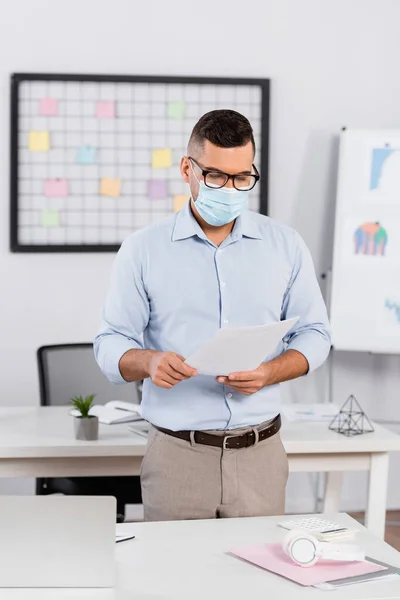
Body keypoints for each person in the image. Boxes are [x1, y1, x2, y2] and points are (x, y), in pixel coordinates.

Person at [94, 109, 331, 521]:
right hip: (177, 458)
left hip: (261, 455)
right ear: (188, 168)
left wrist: (270, 372)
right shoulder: (143, 250)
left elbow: (316, 334)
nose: (231, 189)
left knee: (257, 582)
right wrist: (149, 361)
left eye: (243, 178)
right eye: (217, 176)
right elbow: (110, 343)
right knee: (175, 583)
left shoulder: (285, 246)